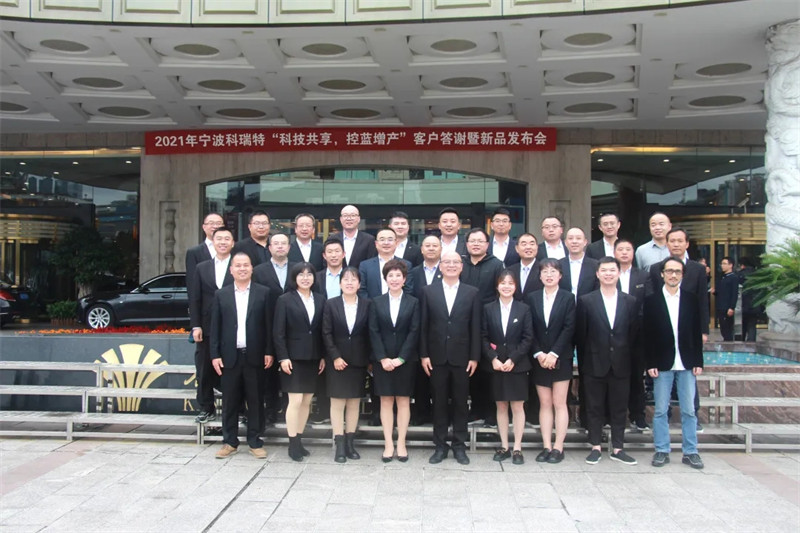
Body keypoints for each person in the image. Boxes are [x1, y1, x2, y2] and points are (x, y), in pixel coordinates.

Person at [575, 257, 640, 466]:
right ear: (597, 274)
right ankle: (595, 446)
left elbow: (633, 334)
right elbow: (581, 335)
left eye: (612, 270)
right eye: (604, 270)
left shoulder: (630, 301)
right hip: (594, 363)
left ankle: (618, 447)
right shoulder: (586, 300)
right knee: (594, 406)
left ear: (619, 273)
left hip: (621, 363)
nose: (608, 274)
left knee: (619, 407)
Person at [209, 252, 273, 459]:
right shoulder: (221, 294)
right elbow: (215, 327)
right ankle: (229, 442)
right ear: (231, 270)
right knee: (230, 402)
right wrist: (215, 354)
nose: (242, 268)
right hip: (230, 357)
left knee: (255, 401)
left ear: (252, 268)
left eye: (246, 265)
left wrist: (269, 351)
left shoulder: (263, 293)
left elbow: (269, 325)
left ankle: (255, 441)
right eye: (238, 265)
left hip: (255, 355)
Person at [420, 251, 481, 465]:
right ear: (440, 266)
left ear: (462, 267)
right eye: (447, 262)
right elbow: (423, 326)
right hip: (436, 357)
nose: (452, 265)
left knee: (461, 403)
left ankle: (459, 446)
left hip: (462, 358)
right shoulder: (428, 291)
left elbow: (475, 327)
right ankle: (440, 446)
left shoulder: (472, 292)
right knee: (438, 402)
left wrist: (474, 356)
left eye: (456, 262)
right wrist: (424, 354)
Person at [644, 257, 705, 470]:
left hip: (687, 362)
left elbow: (696, 332)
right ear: (662, 274)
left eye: (677, 272)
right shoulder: (651, 301)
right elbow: (647, 334)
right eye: (669, 271)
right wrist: (650, 362)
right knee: (661, 410)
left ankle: (691, 451)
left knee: (689, 410)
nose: (673, 275)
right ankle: (662, 450)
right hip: (662, 363)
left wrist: (698, 360)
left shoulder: (691, 299)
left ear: (682, 275)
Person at [369, 259, 420, 462]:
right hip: (383, 361)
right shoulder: (376, 302)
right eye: (391, 275)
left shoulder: (413, 302)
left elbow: (414, 332)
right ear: (385, 278)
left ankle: (401, 443)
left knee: (403, 400)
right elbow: (373, 331)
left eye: (399, 275)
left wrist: (401, 358)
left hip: (405, 360)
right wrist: (382, 358)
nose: (395, 279)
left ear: (405, 279)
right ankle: (388, 443)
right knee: (386, 400)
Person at [273, 262, 326, 461]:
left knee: (306, 401)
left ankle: (300, 438)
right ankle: (292, 442)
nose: (305, 278)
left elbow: (322, 331)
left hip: (313, 357)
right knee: (295, 401)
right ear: (294, 278)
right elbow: (278, 332)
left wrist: (323, 355)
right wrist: (283, 357)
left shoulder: (320, 299)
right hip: (292, 358)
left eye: (309, 274)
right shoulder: (285, 300)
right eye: (301, 274)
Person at [526, 258, 575, 464]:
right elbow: (529, 328)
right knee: (544, 403)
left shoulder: (568, 297)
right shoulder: (532, 298)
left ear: (560, 276)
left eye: (553, 271)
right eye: (545, 271)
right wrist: (539, 353)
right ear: (539, 276)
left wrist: (554, 353)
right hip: (539, 359)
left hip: (560, 357)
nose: (549, 275)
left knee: (559, 403)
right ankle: (546, 445)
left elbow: (569, 328)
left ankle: (558, 447)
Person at [482, 270, 533, 464]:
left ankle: (518, 448)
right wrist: (493, 358)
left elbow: (528, 338)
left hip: (517, 365)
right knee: (501, 405)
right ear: (497, 286)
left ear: (515, 286)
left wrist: (513, 359)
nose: (506, 286)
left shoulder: (523, 309)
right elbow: (483, 336)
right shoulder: (488, 308)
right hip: (496, 365)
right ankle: (504, 446)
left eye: (510, 283)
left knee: (517, 406)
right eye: (503, 283)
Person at [321, 267, 370, 463]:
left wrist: (369, 360)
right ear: (340, 283)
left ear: (359, 284)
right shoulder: (331, 304)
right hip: (337, 362)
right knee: (338, 403)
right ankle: (339, 444)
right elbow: (326, 332)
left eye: (354, 279)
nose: (350, 283)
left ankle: (350, 443)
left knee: (354, 403)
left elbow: (370, 333)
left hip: (358, 361)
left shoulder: (367, 304)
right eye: (346, 279)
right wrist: (335, 356)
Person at [188, 226, 234, 423]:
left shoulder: (239, 265)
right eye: (219, 239)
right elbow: (195, 298)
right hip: (207, 325)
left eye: (227, 239)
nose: (223, 242)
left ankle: (238, 409)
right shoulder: (202, 267)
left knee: (234, 369)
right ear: (213, 242)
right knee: (204, 368)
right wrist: (196, 325)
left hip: (233, 325)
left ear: (233, 243)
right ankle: (206, 407)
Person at [460, 227, 504, 427]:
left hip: (489, 322)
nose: (476, 244)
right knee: (471, 369)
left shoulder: (496, 264)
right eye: (472, 241)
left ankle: (491, 412)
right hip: (465, 322)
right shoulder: (460, 263)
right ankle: (476, 410)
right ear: (467, 244)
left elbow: (501, 291)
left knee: (489, 368)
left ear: (487, 244)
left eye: (480, 241)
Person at [253, 232, 295, 426]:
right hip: (267, 325)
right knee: (268, 372)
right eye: (275, 243)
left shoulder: (297, 269)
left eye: (283, 243)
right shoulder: (259, 271)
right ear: (269, 248)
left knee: (291, 370)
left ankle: (289, 411)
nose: (279, 246)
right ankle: (270, 411)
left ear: (289, 247)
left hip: (293, 329)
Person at [614, 238, 652, 432]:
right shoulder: (607, 273)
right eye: (620, 249)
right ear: (614, 253)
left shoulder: (643, 276)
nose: (624, 253)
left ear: (633, 253)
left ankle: (638, 415)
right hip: (612, 333)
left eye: (628, 249)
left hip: (637, 334)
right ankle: (611, 416)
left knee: (637, 376)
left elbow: (648, 303)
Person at [649, 228, 710, 342]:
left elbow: (703, 301)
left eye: (680, 241)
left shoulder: (698, 269)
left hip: (690, 327)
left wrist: (704, 331)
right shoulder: (655, 268)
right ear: (667, 244)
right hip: (663, 326)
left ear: (687, 244)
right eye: (672, 241)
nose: (676, 244)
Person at [407, 235, 442, 425]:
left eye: (435, 245)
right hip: (418, 326)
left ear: (441, 249)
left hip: (441, 328)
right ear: (421, 249)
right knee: (420, 373)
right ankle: (421, 413)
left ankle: (439, 414)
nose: (431, 248)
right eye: (427, 245)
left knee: (438, 374)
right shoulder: (413, 272)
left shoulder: (447, 270)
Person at [358, 227, 412, 299]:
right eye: (382, 239)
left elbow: (408, 290)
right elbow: (362, 291)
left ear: (396, 243)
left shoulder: (406, 264)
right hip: (371, 305)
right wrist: (373, 305)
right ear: (376, 244)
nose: (386, 243)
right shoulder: (365, 266)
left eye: (390, 239)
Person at [185, 212, 224, 290]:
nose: (215, 226)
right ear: (204, 227)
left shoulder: (234, 250)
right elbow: (192, 282)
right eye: (211, 223)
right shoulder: (194, 252)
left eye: (218, 223)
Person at [558, 227, 599, 301]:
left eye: (578, 238)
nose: (574, 241)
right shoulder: (558, 265)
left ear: (585, 242)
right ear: (565, 242)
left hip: (588, 306)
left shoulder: (595, 265)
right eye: (570, 238)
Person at [508, 233, 542, 301]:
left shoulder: (543, 270)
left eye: (532, 244)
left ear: (537, 247)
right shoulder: (510, 271)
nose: (528, 247)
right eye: (524, 244)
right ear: (517, 248)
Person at [737, 257, 762, 342]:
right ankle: (751, 343)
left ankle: (742, 342)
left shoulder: (740, 274)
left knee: (742, 326)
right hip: (755, 304)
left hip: (743, 304)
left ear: (742, 265)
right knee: (752, 325)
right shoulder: (758, 275)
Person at [715, 256, 738, 341]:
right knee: (722, 327)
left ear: (730, 265)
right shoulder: (722, 277)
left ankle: (729, 342)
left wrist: (732, 307)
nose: (722, 266)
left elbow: (734, 293)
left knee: (727, 328)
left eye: (725, 264)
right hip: (720, 306)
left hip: (727, 307)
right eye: (722, 264)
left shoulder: (733, 277)